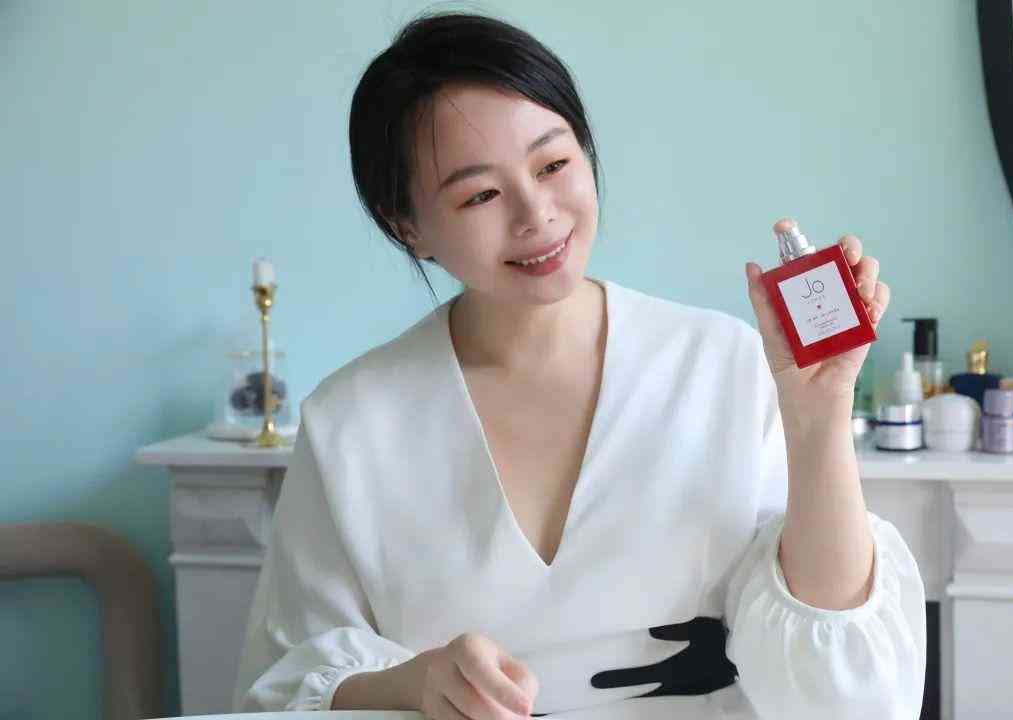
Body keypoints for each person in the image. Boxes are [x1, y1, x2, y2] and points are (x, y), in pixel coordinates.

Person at [232, 9, 925, 719]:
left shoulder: (724, 366)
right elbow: (287, 681)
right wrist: (412, 682)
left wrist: (819, 416)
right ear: (407, 226)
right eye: (480, 195)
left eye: (554, 165)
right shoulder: (351, 422)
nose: (536, 214)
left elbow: (846, 694)